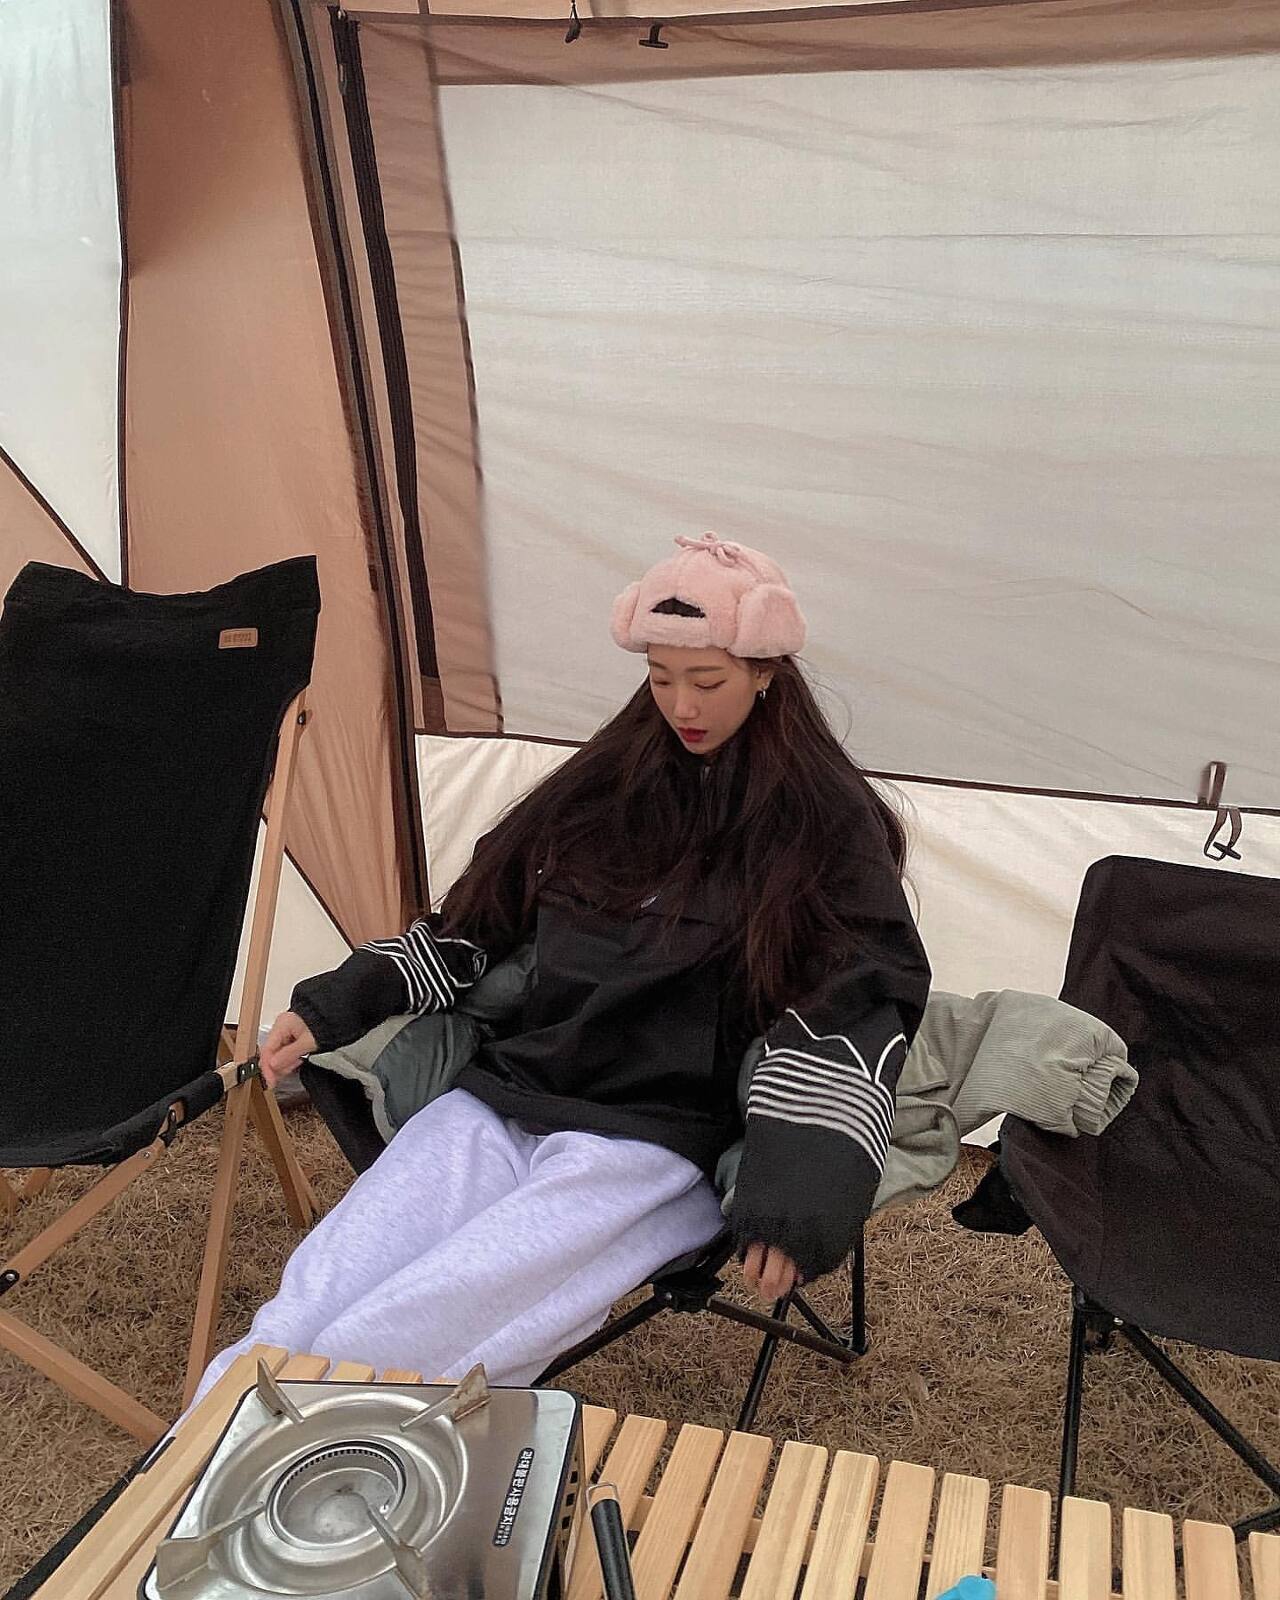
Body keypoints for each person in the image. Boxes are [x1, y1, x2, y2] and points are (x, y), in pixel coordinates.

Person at [194, 533, 930, 1399]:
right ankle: (192, 1467)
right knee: (309, 1299)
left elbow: (860, 994)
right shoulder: (607, 784)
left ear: (765, 671)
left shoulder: (825, 819)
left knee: (411, 1329)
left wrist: (796, 1197)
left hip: (651, 1136)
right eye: (660, 678)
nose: (681, 705)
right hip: (509, 1092)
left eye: (707, 681)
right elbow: (477, 921)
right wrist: (337, 1004)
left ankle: (320, 1466)